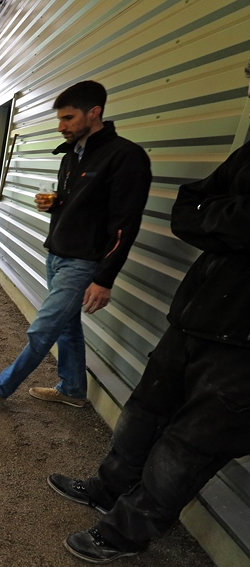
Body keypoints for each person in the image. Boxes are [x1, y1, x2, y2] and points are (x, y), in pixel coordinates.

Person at [49, 62, 250, 564]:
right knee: (143, 411)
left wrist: (220, 219)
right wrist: (227, 220)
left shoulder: (125, 157)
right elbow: (189, 206)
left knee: (188, 447)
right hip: (196, 315)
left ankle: (126, 533)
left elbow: (212, 214)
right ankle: (106, 487)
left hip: (244, 346)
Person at [0, 80, 151, 408]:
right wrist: (56, 204)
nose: (61, 126)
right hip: (58, 254)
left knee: (43, 329)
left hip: (85, 261)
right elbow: (81, 204)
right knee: (66, 327)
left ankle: (0, 388)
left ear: (94, 113)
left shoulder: (126, 157)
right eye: (60, 119)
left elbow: (125, 224)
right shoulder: (72, 155)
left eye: (68, 118)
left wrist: (104, 278)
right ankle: (73, 389)